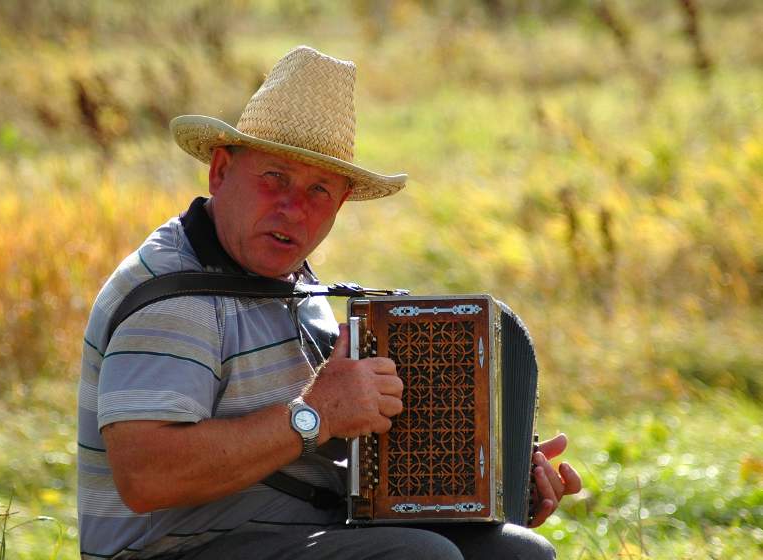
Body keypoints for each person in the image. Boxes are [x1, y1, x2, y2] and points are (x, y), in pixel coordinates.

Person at [77, 46, 581, 560]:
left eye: (319, 189)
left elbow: (344, 449)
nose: (294, 209)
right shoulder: (173, 297)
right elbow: (146, 477)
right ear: (221, 172)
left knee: (521, 553)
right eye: (274, 178)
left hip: (305, 533)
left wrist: (492, 480)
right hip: (173, 552)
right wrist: (314, 415)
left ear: (340, 204)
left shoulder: (292, 281)